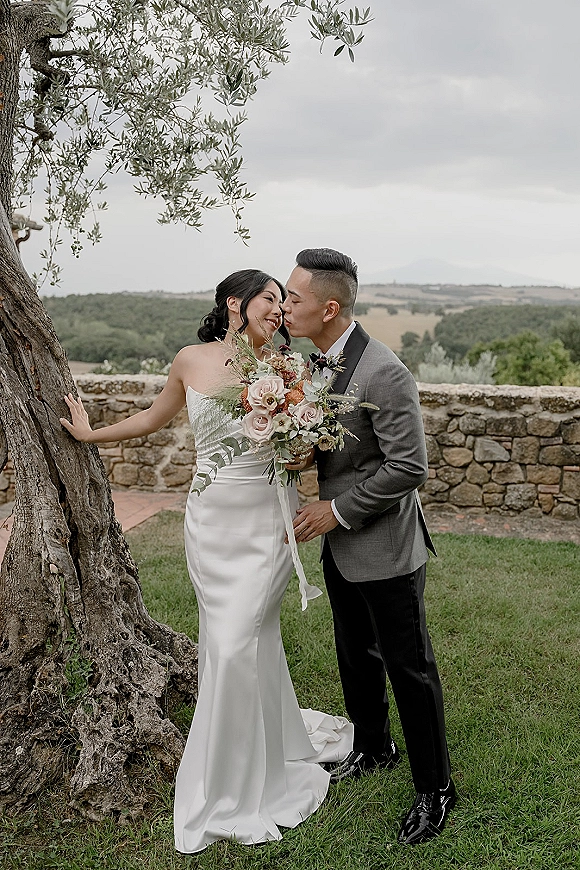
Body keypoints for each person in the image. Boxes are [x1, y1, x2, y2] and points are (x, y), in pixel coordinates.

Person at [60, 269, 353, 854]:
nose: (279, 310)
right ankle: (271, 738)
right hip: (210, 524)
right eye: (271, 299)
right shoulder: (190, 359)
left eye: (283, 302)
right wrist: (91, 435)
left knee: (233, 642)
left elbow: (302, 454)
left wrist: (298, 450)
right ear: (234, 303)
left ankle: (230, 780)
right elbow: (152, 418)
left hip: (266, 522)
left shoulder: (289, 370)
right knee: (245, 639)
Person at [281, 248, 456, 846]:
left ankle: (436, 790)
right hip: (342, 549)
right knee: (356, 655)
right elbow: (343, 445)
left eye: (294, 298)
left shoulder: (384, 370)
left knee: (409, 667)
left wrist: (335, 510)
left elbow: (410, 466)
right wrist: (308, 453)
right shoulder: (318, 364)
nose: (285, 306)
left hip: (384, 546)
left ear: (329, 308)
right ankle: (374, 748)